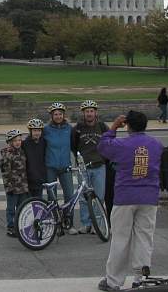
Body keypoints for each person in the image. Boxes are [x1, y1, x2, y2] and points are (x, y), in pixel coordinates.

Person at [96, 110, 164, 292]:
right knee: (144, 237)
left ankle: (113, 281)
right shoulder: (156, 144)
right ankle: (141, 277)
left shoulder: (122, 144)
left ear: (128, 125)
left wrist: (113, 127)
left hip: (125, 196)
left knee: (120, 238)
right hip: (149, 196)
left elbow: (102, 147)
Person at [71, 99, 108, 234]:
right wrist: (80, 159)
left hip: (99, 166)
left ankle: (97, 224)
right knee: (84, 197)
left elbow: (109, 142)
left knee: (99, 196)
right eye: (87, 111)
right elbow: (73, 146)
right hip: (83, 167)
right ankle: (85, 223)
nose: (89, 114)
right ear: (83, 113)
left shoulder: (102, 127)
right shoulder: (77, 129)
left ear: (95, 112)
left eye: (91, 111)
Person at [43, 102, 77, 235]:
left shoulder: (69, 129)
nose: (58, 116)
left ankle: (69, 223)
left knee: (69, 196)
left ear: (64, 115)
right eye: (55, 114)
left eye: (60, 114)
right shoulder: (46, 130)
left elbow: (75, 145)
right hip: (50, 167)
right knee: (52, 198)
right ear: (51, 116)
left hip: (65, 167)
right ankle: (54, 223)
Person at [0, 129, 29, 237]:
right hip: (13, 188)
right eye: (15, 140)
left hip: (22, 186)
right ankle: (11, 227)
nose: (18, 142)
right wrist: (9, 188)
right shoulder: (7, 155)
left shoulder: (22, 152)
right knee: (11, 209)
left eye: (20, 140)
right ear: (10, 142)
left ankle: (20, 225)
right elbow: (6, 173)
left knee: (21, 207)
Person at [22, 118, 48, 198]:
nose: (37, 133)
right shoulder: (25, 144)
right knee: (28, 202)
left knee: (38, 201)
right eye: (35, 131)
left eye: (39, 131)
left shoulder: (44, 142)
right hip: (29, 179)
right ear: (30, 131)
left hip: (39, 179)